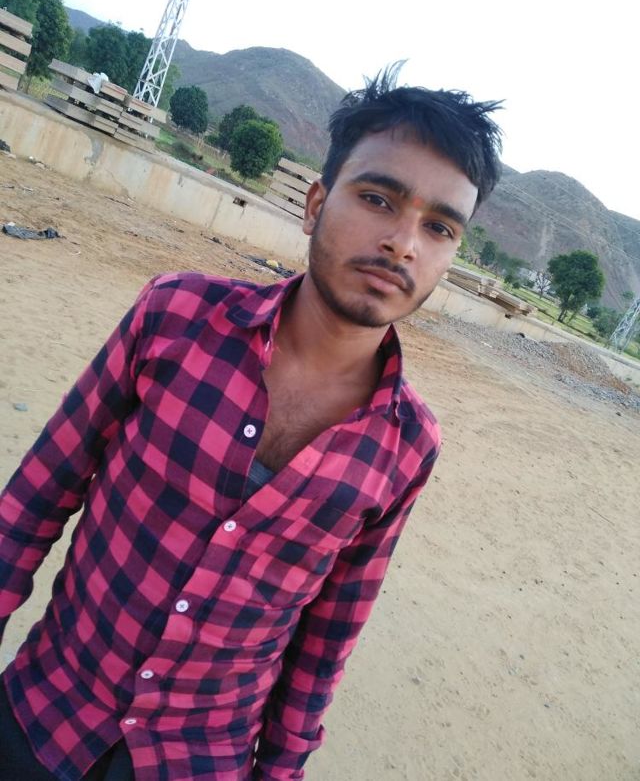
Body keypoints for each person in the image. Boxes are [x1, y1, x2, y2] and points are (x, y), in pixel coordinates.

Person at [0, 64, 502, 780]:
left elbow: (327, 638)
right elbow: (36, 498)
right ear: (316, 203)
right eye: (378, 199)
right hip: (44, 715)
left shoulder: (407, 445)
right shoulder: (174, 316)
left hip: (202, 761)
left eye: (439, 227)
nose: (403, 243)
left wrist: (281, 771)